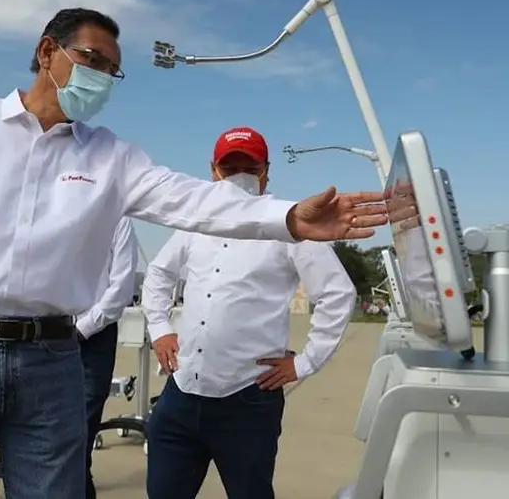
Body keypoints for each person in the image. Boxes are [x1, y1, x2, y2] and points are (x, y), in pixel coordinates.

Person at [0, 7, 390, 499]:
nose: (103, 78)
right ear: (47, 53)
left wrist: (287, 218)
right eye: (93, 61)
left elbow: (192, 201)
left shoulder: (111, 158)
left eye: (113, 71)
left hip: (52, 362)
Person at [141, 126, 359, 499]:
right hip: (181, 393)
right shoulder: (197, 224)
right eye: (230, 168)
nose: (238, 177)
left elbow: (338, 294)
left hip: (246, 399)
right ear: (213, 170)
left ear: (266, 171)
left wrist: (305, 363)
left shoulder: (288, 223)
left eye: (249, 167)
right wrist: (160, 327)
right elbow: (159, 273)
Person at [78, 217, 138, 499]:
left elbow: (122, 287)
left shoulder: (118, 218)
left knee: (82, 432)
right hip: (41, 333)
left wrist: (81, 329)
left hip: (94, 335)